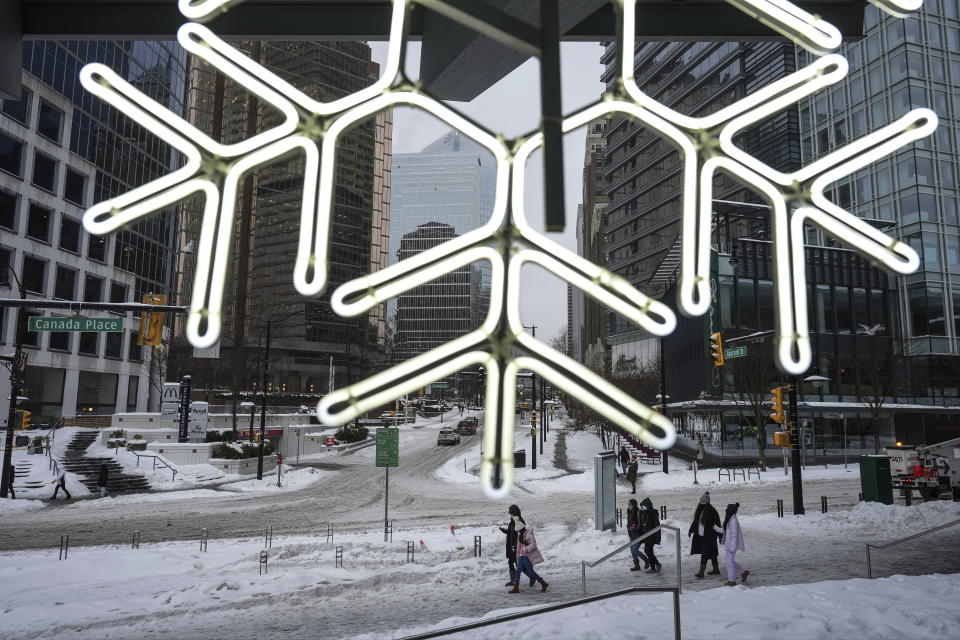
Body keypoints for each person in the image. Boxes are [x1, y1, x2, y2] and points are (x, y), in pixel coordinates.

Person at [509, 512, 548, 593]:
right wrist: (518, 556)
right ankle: (516, 588)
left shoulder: (529, 535)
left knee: (531, 572)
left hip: (527, 557)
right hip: (521, 557)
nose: (518, 532)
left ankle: (543, 583)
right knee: (518, 571)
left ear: (522, 528)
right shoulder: (520, 535)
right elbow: (519, 548)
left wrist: (527, 547)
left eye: (519, 530)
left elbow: (534, 544)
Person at [714, 502, 749, 586]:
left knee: (729, 562)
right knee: (730, 561)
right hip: (728, 544)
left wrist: (732, 548)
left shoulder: (733, 521)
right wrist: (715, 528)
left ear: (730, 511)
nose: (726, 511)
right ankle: (743, 572)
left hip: (732, 545)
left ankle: (732, 581)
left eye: (727, 510)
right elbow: (724, 530)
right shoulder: (729, 519)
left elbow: (734, 535)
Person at [688, 491, 721, 578]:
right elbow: (695, 522)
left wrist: (720, 536)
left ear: (707, 502)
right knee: (712, 553)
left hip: (709, 536)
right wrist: (691, 530)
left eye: (703, 502)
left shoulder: (712, 511)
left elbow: (718, 524)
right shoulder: (700, 511)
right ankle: (716, 569)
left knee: (705, 553)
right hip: (701, 536)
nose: (701, 503)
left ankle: (701, 572)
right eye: (700, 501)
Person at [498, 504, 521, 586]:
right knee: (512, 562)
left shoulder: (517, 521)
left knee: (518, 564)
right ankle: (513, 580)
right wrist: (503, 530)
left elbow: (519, 534)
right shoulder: (512, 521)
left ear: (513, 512)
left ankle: (531, 576)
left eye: (510, 512)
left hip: (516, 546)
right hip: (512, 546)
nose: (509, 514)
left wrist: (515, 545)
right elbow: (510, 532)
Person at [639, 497, 662, 573]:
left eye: (643, 505)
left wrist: (658, 537)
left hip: (651, 536)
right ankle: (654, 566)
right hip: (646, 535)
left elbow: (657, 526)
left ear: (647, 505)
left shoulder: (653, 513)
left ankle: (656, 565)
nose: (642, 507)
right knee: (648, 551)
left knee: (648, 551)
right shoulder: (645, 513)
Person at [626, 499, 648, 571]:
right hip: (632, 534)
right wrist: (629, 530)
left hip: (637, 534)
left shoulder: (638, 513)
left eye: (630, 504)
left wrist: (634, 529)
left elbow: (640, 524)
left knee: (635, 550)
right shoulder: (629, 512)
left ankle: (646, 560)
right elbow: (629, 523)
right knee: (632, 550)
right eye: (628, 504)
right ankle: (637, 565)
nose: (629, 505)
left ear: (634, 505)